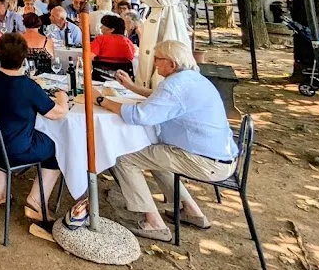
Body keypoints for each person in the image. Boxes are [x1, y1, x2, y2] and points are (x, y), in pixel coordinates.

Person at [100, 40, 238, 242]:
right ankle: (191, 210)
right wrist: (131, 87)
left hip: (205, 162)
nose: (155, 63)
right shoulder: (192, 79)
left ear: (171, 64)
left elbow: (139, 115)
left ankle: (154, 223)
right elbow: (159, 98)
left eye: (157, 59)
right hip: (220, 157)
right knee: (152, 152)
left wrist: (101, 100)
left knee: (122, 157)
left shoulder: (175, 85)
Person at [0, 33, 68, 220]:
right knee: (58, 148)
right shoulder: (27, 86)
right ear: (25, 57)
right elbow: (57, 114)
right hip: (12, 150)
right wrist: (63, 97)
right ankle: (35, 202)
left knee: (8, 133)